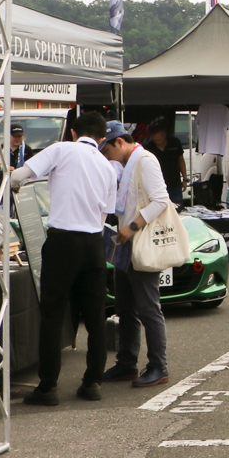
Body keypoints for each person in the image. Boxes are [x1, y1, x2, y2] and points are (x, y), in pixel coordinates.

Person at [10, 110, 118, 405]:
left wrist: (11, 181)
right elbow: (105, 213)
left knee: (53, 315)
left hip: (62, 242)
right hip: (94, 244)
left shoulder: (61, 148)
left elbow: (19, 175)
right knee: (95, 316)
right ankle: (93, 382)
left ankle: (48, 387)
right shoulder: (108, 168)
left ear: (73, 132)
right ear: (102, 137)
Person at [101, 121, 171, 388]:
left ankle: (158, 366)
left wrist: (132, 227)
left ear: (119, 142)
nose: (107, 157)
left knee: (147, 307)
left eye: (107, 151)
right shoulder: (129, 161)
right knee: (125, 306)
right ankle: (127, 363)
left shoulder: (145, 160)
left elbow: (161, 200)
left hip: (139, 239)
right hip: (125, 241)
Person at [147, 119, 187, 205]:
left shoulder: (175, 143)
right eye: (155, 140)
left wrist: (185, 178)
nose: (157, 142)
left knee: (178, 206)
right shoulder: (149, 147)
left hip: (174, 182)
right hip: (158, 184)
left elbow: (181, 160)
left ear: (164, 136)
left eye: (159, 139)